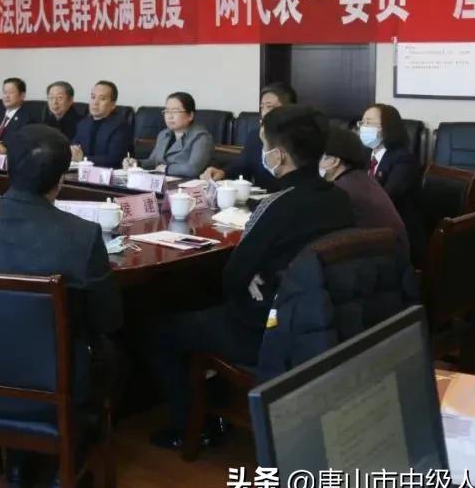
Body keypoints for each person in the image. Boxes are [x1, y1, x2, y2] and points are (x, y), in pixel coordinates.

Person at [149, 105, 354, 449]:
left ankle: (190, 427)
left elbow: (232, 277)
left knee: (159, 330)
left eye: (264, 145)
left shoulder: (277, 204)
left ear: (279, 155)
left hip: (266, 330)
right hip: (318, 317)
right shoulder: (340, 198)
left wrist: (260, 276)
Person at [0, 124, 123, 488]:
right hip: (55, 380)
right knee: (108, 352)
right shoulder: (81, 234)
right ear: (61, 179)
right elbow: (109, 318)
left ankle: (19, 460)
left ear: (6, 167)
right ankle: (69, 458)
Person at [319, 128, 410, 258]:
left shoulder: (342, 190)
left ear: (333, 161)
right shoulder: (359, 178)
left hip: (383, 263)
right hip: (391, 259)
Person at [359, 103, 425, 265]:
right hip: (371, 225)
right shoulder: (364, 155)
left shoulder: (404, 160)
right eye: (362, 122)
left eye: (369, 122)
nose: (363, 127)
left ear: (387, 127)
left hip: (396, 232)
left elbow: (386, 199)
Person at [200, 82, 297, 190]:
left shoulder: (300, 137)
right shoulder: (255, 135)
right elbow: (242, 166)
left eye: (270, 107)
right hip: (263, 196)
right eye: (262, 107)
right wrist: (222, 173)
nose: (264, 112)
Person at [126, 92, 213, 178]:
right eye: (167, 111)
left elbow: (193, 169)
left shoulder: (201, 137)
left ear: (190, 115)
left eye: (175, 111)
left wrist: (166, 169)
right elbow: (154, 161)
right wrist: (137, 163)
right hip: (161, 181)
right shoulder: (164, 134)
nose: (170, 116)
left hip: (185, 184)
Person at [71, 81, 131, 169]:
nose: (95, 102)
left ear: (113, 105)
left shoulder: (120, 126)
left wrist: (83, 159)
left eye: (102, 99)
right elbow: (74, 148)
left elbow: (115, 159)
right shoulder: (83, 124)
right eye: (93, 97)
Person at [0, 77, 38, 154]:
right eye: (5, 92)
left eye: (11, 92)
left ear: (22, 96)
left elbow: (25, 148)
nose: (7, 96)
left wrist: (7, 151)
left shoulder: (27, 119)